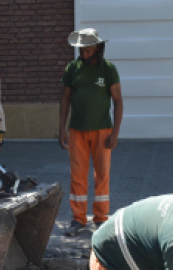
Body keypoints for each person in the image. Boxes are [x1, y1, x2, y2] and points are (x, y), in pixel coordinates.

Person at [59, 29, 123, 237]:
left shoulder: (108, 69)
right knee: (77, 175)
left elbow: (118, 100)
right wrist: (62, 128)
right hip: (77, 130)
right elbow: (65, 99)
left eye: (88, 50)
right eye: (81, 51)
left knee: (102, 175)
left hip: (102, 130)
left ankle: (101, 219)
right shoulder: (72, 69)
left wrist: (115, 133)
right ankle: (78, 219)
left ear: (97, 49)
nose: (84, 54)